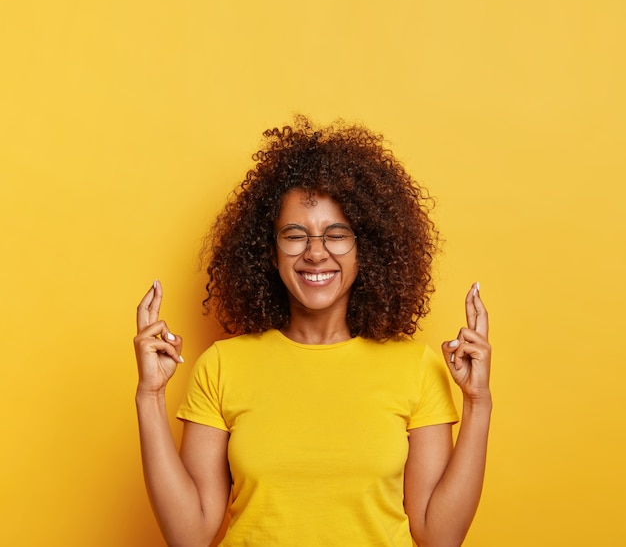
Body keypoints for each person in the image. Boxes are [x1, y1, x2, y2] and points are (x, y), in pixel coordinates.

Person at [134, 116, 492, 547]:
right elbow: (189, 537)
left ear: (367, 248)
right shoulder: (222, 366)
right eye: (295, 235)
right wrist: (150, 396)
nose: (316, 253)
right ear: (270, 251)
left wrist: (478, 402)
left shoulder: (416, 368)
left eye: (337, 235)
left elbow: (439, 537)